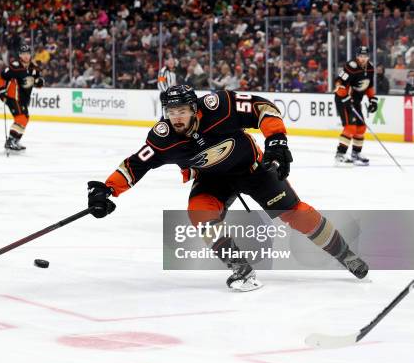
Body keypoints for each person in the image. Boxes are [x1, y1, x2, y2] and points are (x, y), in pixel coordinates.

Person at [87, 85, 368, 292]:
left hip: (252, 168)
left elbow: (263, 107)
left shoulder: (217, 105)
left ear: (194, 108)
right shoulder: (163, 137)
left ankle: (346, 255)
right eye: (171, 112)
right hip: (212, 179)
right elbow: (137, 164)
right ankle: (240, 267)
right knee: (199, 212)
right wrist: (107, 189)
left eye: (182, 110)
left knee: (295, 213)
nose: (176, 118)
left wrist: (277, 140)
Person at [333, 46, 378, 166]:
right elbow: (339, 83)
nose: (363, 59)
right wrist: (345, 97)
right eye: (360, 56)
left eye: (365, 56)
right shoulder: (351, 67)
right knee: (350, 127)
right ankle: (340, 155)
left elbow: (369, 86)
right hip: (343, 100)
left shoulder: (370, 68)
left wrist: (373, 99)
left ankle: (356, 154)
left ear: (368, 57)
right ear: (357, 56)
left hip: (356, 101)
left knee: (361, 127)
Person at [0, 44, 44, 151]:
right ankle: (10, 141)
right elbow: (1, 77)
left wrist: (39, 82)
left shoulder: (34, 67)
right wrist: (1, 91)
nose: (26, 56)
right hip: (12, 97)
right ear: (20, 55)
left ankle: (15, 140)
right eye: (23, 54)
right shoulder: (15, 66)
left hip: (23, 99)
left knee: (25, 118)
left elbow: (39, 83)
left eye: (28, 53)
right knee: (21, 118)